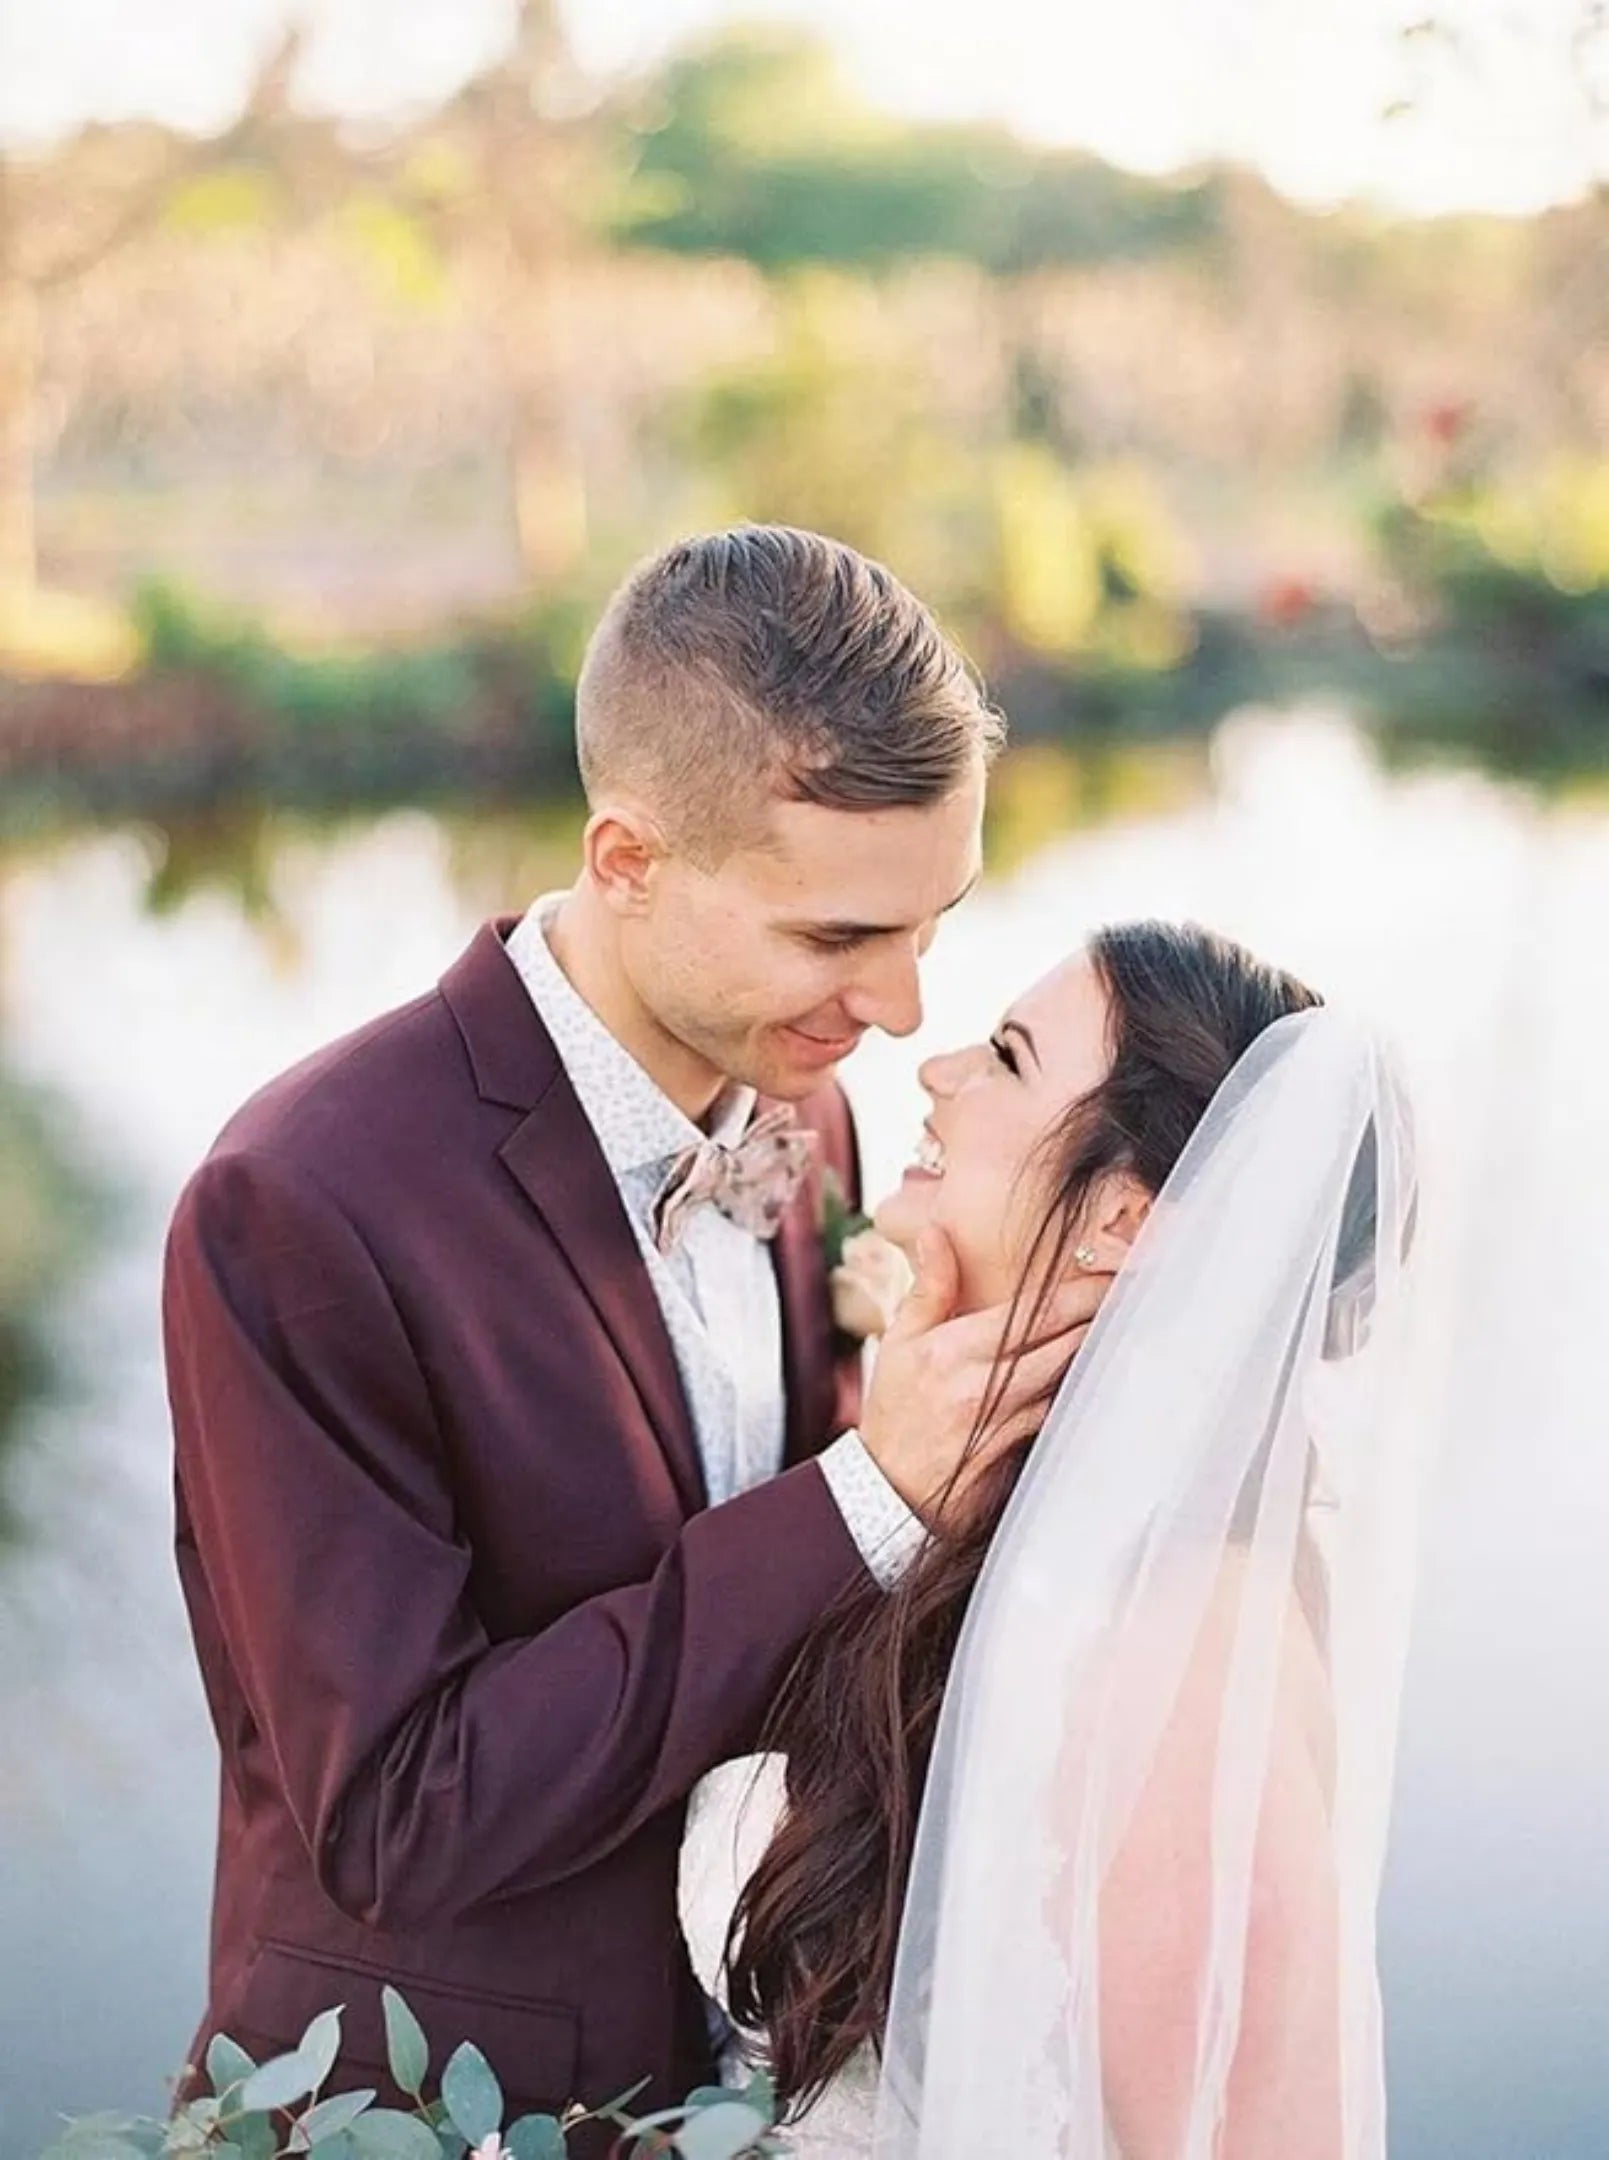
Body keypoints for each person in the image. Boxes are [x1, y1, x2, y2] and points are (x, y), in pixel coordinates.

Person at [161, 526, 1103, 2146]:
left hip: (761, 2078)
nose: (896, 1008)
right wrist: (863, 1504)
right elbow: (401, 1813)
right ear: (624, 859)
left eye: (928, 921)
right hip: (426, 2110)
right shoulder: (302, 1205)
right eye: (831, 938)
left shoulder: (809, 1125)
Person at [679, 920, 1424, 2159]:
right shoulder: (999, 1522)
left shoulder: (1178, 1651)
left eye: (1009, 1058)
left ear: (1126, 1223)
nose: (935, 1069)